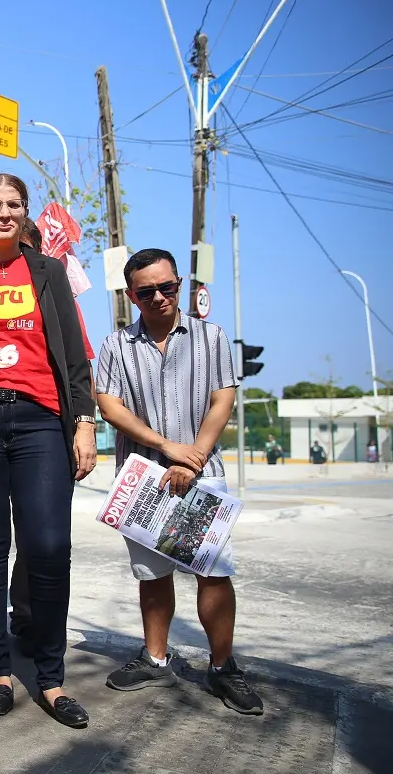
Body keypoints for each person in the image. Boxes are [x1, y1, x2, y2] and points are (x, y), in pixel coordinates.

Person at [0, 174, 96, 728]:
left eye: (13, 205)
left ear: (24, 213)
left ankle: (51, 681)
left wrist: (83, 423)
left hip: (39, 422)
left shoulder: (47, 270)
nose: (3, 213)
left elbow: (75, 357)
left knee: (49, 546)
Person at [97, 248, 264, 716]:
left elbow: (222, 399)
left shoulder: (211, 337)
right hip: (145, 480)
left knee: (211, 572)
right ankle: (155, 657)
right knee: (152, 576)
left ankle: (223, 666)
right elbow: (110, 407)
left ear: (179, 284)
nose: (158, 297)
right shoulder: (116, 346)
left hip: (201, 476)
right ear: (131, 295)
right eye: (145, 291)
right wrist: (167, 448)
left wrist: (192, 459)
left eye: (166, 287)